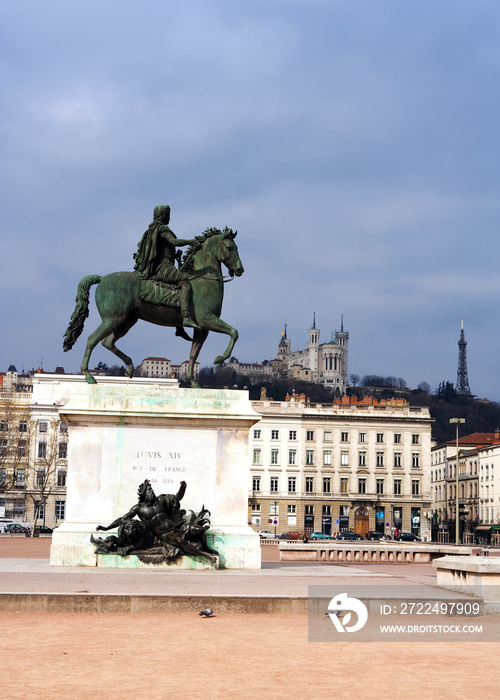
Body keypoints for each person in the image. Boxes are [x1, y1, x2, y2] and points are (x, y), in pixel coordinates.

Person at [133, 205, 201, 330]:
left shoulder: (151, 229)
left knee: (175, 287)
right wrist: (191, 241)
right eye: (168, 215)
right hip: (163, 267)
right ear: (164, 216)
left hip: (157, 266)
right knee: (185, 283)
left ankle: (178, 327)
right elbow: (174, 242)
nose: (169, 218)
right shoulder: (162, 228)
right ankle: (185, 317)